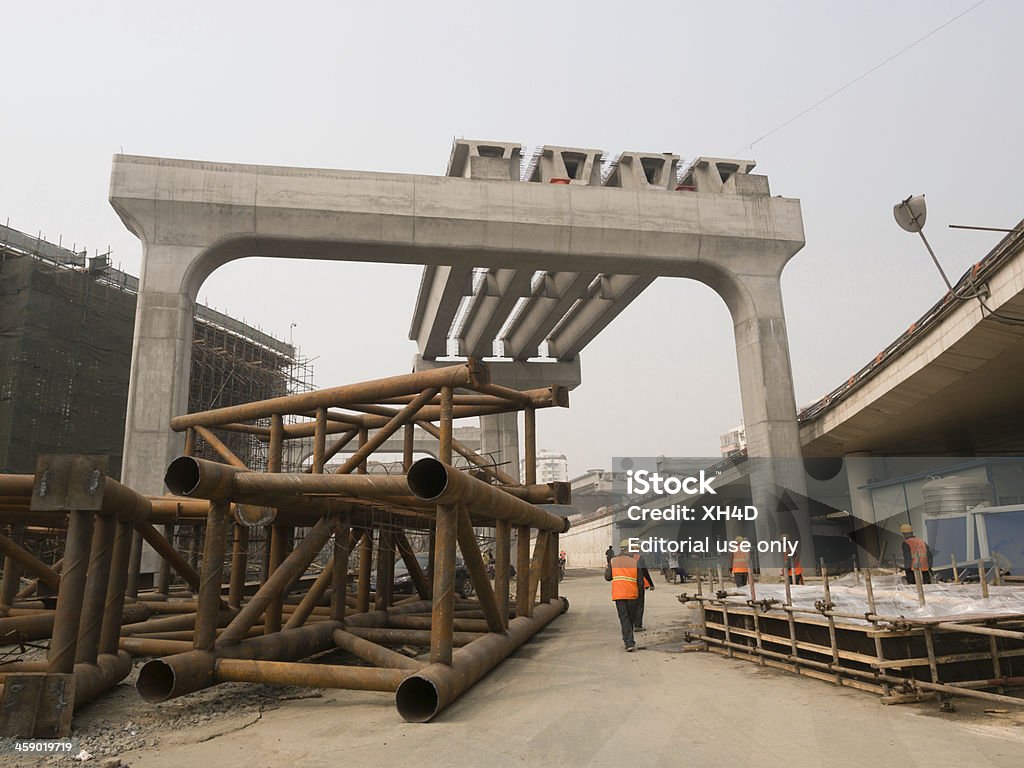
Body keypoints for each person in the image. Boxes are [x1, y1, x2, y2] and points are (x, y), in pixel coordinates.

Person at [604, 540, 641, 651]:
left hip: (619, 594)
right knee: (630, 618)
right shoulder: (635, 561)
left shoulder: (613, 561)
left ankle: (629, 642)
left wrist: (608, 568)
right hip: (632, 594)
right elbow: (640, 581)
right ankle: (629, 641)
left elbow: (608, 577)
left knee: (624, 618)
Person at [629, 547, 654, 632]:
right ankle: (638, 625)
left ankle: (629, 625)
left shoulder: (623, 559)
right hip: (638, 585)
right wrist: (651, 584)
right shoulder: (638, 558)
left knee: (630, 606)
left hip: (627, 585)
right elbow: (644, 572)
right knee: (639, 605)